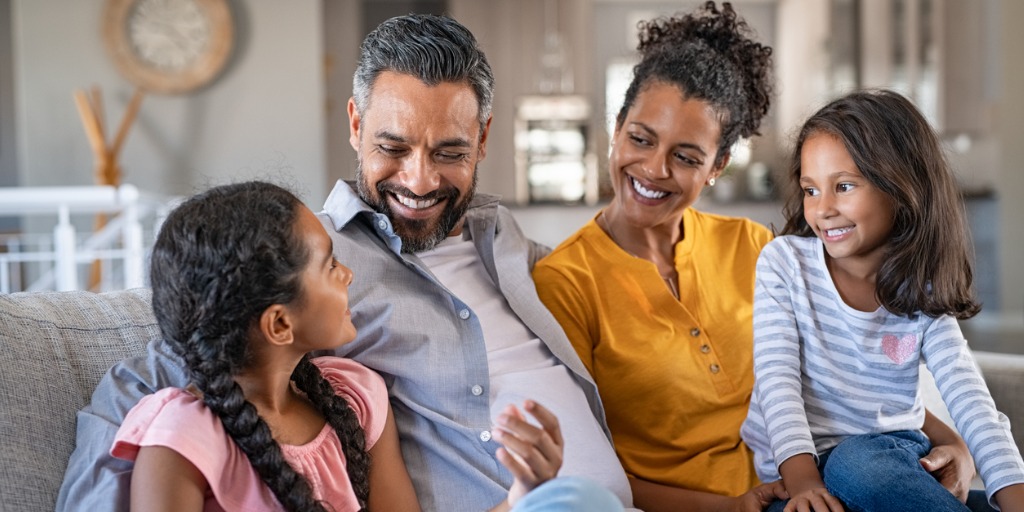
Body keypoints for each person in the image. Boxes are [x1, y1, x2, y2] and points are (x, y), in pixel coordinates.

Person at [58, 14, 630, 512]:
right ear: (356, 125)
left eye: (450, 152)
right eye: (394, 147)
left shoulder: (504, 239)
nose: (420, 180)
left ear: (482, 139)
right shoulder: (302, 264)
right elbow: (148, 379)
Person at [532, 3, 978, 511]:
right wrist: (732, 506)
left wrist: (955, 442)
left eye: (686, 156)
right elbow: (585, 471)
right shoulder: (563, 283)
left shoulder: (755, 248)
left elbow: (854, 374)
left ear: (718, 165)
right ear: (616, 129)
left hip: (823, 487)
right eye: (640, 139)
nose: (653, 169)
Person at [739, 89, 1024, 512]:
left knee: (858, 464)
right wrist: (802, 483)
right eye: (811, 190)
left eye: (845, 186)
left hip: (889, 460)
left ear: (901, 187)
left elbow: (971, 400)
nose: (823, 209)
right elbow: (777, 383)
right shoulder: (784, 265)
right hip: (800, 473)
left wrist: (1014, 493)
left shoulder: (921, 290)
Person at [111, 181, 418, 511]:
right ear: (280, 324)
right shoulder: (182, 437)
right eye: (330, 266)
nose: (348, 275)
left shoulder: (356, 397)